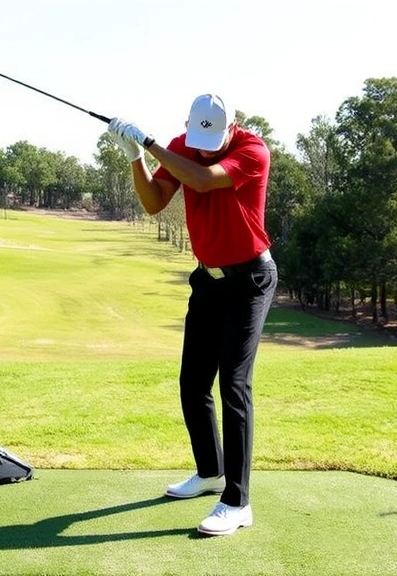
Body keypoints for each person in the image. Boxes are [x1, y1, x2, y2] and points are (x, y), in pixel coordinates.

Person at [107, 94, 277, 537]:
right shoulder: (182, 146)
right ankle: (210, 472)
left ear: (232, 127)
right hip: (208, 280)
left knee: (234, 384)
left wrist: (149, 143)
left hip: (250, 280)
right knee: (192, 383)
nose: (203, 149)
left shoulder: (252, 150)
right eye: (197, 139)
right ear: (188, 126)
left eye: (213, 140)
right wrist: (136, 158)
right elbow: (154, 202)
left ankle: (237, 502)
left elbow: (202, 181)